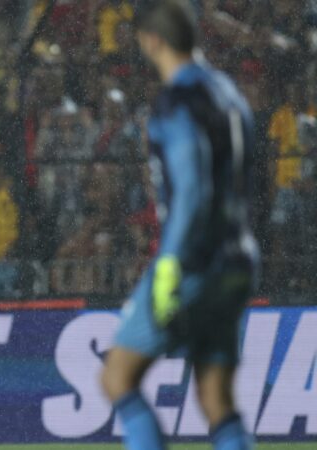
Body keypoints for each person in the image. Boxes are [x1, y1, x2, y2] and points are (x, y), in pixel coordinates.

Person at [99, 2, 260, 450]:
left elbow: (193, 188)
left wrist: (169, 262)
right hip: (238, 257)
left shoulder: (177, 101)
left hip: (193, 259)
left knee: (117, 376)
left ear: (151, 40)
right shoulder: (230, 93)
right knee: (215, 397)